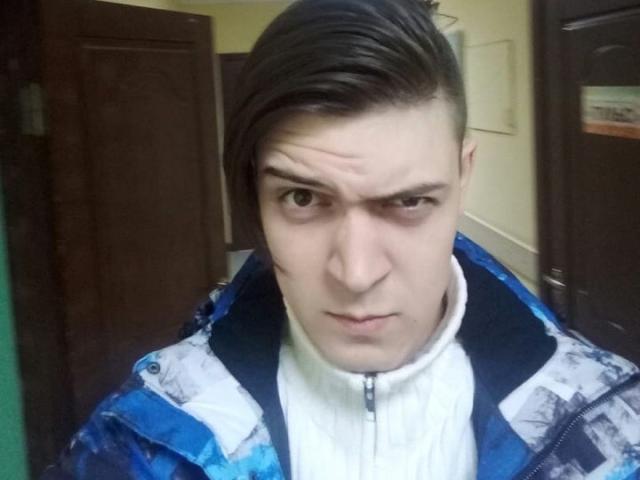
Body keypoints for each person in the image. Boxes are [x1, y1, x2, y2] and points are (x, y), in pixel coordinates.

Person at [43, 0, 640, 479]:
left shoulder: (612, 427)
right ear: (255, 195)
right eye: (303, 198)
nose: (356, 274)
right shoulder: (144, 437)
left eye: (408, 202)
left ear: (463, 177)